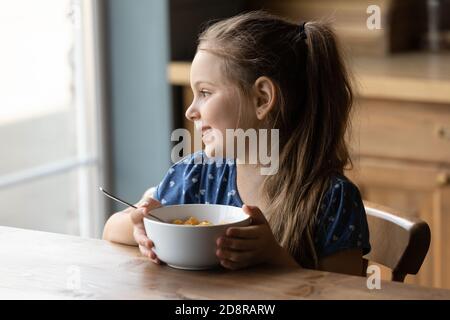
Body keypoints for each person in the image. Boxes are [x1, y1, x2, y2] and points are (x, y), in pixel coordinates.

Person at [102, 11, 370, 276]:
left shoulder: (331, 199)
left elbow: (341, 293)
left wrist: (274, 258)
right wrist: (143, 227)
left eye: (205, 92)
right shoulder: (196, 176)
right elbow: (111, 229)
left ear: (262, 99)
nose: (190, 111)